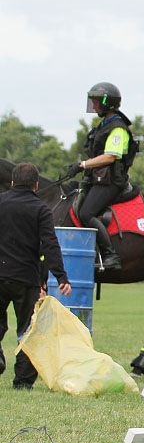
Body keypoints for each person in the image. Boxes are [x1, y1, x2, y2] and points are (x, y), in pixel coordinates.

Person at [0, 163, 71, 389]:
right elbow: (50, 245)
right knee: (28, 331)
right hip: (26, 279)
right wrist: (61, 277)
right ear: (36, 185)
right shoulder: (41, 210)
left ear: (12, 182)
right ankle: (22, 382)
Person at [63, 82, 139, 271]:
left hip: (111, 181)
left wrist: (82, 165)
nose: (94, 105)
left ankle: (110, 255)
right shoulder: (104, 125)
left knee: (87, 212)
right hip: (98, 179)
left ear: (108, 104)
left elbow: (110, 156)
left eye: (97, 102)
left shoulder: (118, 128)